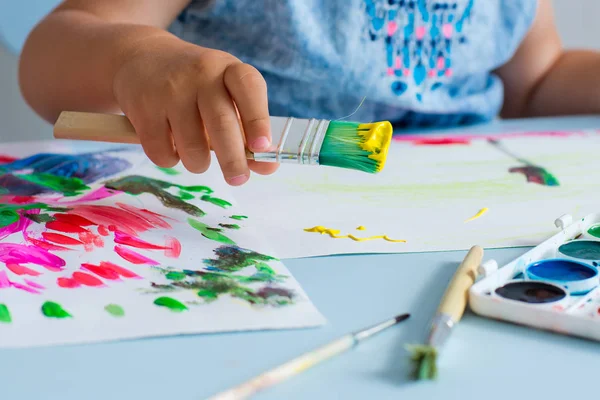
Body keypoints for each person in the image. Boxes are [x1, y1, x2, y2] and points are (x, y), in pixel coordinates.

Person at [18, 0, 600, 186]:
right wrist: (134, 60)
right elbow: (50, 53)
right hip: (253, 204)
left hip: (465, 205)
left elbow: (537, 80)